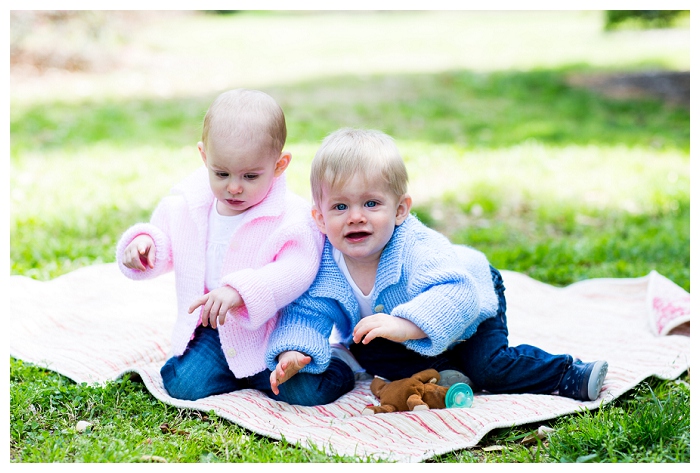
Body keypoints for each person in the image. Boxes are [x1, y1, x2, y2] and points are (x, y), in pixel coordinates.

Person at [265, 127, 608, 405]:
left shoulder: (416, 246)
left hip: (471, 300)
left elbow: (458, 295)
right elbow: (307, 311)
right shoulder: (324, 262)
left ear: (400, 210)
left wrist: (406, 323)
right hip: (403, 326)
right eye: (340, 207)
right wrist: (296, 350)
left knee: (489, 367)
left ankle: (567, 373)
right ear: (320, 218)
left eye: (371, 203)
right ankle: (444, 370)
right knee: (369, 349)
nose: (356, 217)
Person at [116, 89, 347, 404]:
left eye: (251, 176)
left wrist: (241, 291)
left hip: (275, 333)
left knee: (305, 391)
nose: (234, 187)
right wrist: (144, 246)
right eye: (221, 173)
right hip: (216, 330)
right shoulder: (186, 206)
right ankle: (234, 375)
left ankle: (338, 364)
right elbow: (164, 243)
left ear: (280, 165)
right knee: (183, 386)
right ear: (204, 157)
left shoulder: (292, 216)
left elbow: (297, 269)